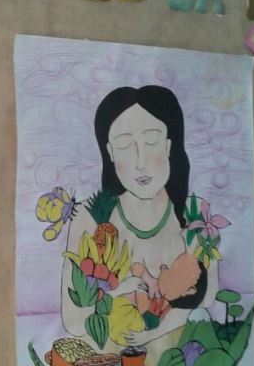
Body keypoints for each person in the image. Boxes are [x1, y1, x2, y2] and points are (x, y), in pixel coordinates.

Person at [61, 85, 218, 350]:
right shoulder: (88, 217)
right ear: (110, 152)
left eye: (151, 140)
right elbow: (74, 321)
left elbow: (206, 299)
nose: (140, 161)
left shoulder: (195, 214)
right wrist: (117, 292)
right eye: (125, 144)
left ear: (169, 145)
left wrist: (152, 333)